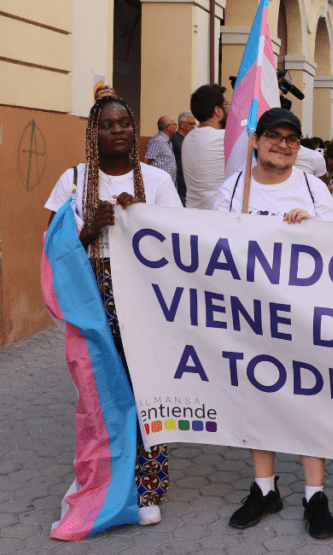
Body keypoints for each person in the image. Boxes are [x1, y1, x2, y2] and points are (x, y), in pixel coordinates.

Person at [44, 86, 183, 526]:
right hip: (93, 293)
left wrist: (142, 219)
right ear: (94, 132)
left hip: (145, 296)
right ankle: (98, 478)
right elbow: (53, 245)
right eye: (108, 125)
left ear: (134, 129)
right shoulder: (74, 179)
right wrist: (91, 229)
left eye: (125, 123)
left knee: (148, 391)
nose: (118, 130)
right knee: (98, 393)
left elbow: (180, 241)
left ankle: (147, 487)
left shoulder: (157, 181)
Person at [213, 108, 333, 540]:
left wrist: (313, 228)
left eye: (292, 138)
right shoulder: (234, 188)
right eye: (274, 136)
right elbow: (213, 242)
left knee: (308, 400)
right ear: (256, 139)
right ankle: (265, 489)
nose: (283, 144)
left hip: (303, 316)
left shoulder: (312, 187)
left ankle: (315, 495)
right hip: (250, 315)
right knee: (257, 398)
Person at [182, 84, 227, 209]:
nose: (229, 110)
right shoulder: (223, 137)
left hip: (193, 213)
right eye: (227, 106)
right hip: (217, 214)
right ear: (218, 111)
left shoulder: (188, 138)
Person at [169, 111, 196, 204]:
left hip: (191, 185)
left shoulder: (192, 139)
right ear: (182, 124)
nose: (193, 127)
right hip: (179, 186)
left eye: (194, 124)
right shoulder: (173, 139)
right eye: (191, 124)